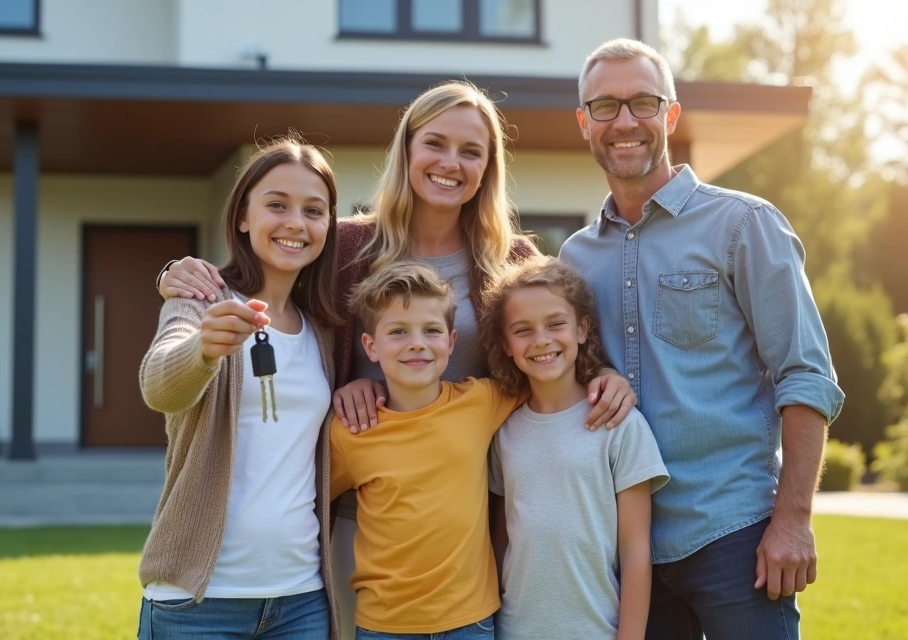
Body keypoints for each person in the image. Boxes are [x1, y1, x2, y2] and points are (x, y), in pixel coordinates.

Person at [154, 81, 640, 639]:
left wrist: (598, 373)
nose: (450, 163)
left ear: (488, 167)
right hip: (358, 517)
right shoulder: (342, 246)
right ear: (406, 149)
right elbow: (260, 271)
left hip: (464, 524)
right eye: (434, 143)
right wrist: (175, 273)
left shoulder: (512, 259)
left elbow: (546, 339)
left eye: (471, 151)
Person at [557, 38, 846, 639]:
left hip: (733, 536)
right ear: (585, 124)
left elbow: (806, 374)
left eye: (642, 102)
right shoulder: (575, 257)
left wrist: (792, 521)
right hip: (625, 543)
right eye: (605, 107)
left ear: (671, 114)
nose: (625, 121)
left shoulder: (744, 225)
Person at [136, 137, 342, 639]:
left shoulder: (325, 328)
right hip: (198, 601)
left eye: (313, 210)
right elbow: (159, 387)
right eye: (276, 204)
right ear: (243, 217)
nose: (296, 222)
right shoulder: (201, 300)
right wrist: (203, 350)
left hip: (302, 600)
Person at [328, 261, 522, 639]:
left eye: (431, 331)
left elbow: (550, 382)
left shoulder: (481, 401)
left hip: (470, 620)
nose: (417, 342)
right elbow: (311, 502)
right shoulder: (351, 430)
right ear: (371, 346)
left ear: (451, 342)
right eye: (398, 331)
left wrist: (604, 377)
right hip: (384, 625)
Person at [479, 256, 668, 639]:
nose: (542, 340)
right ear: (505, 343)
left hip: (595, 629)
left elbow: (635, 553)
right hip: (514, 630)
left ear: (582, 328)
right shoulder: (503, 432)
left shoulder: (620, 425)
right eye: (523, 330)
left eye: (556, 324)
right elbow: (502, 540)